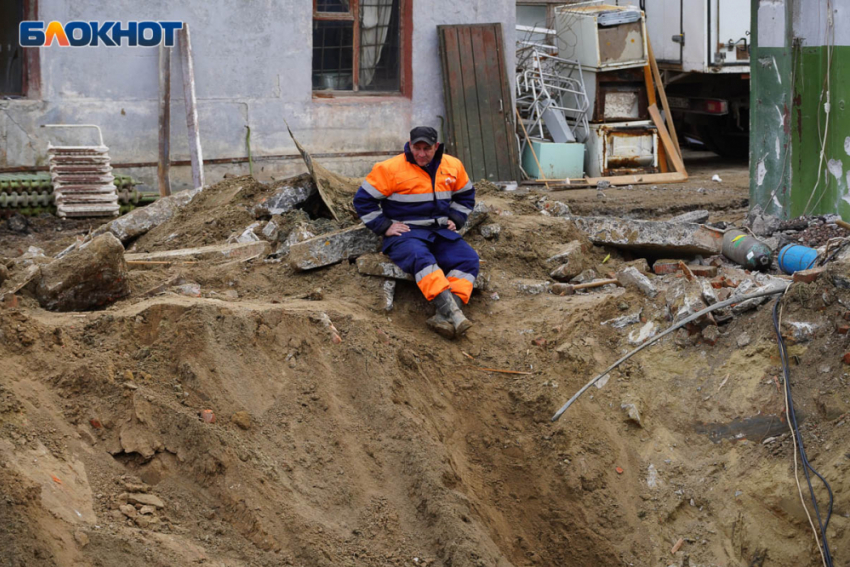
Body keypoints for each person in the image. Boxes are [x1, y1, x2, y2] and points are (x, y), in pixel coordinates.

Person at [353, 126, 478, 338]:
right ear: (409, 145)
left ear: (436, 147)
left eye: (426, 148)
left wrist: (456, 219)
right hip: (407, 234)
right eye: (416, 148)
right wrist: (385, 226)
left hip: (439, 232)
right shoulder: (390, 168)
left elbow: (466, 196)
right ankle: (453, 314)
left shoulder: (452, 165)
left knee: (468, 260)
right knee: (422, 258)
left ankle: (446, 313)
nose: (421, 153)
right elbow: (363, 200)